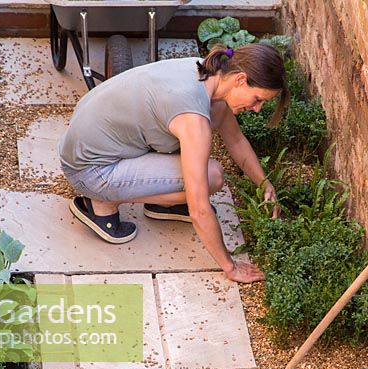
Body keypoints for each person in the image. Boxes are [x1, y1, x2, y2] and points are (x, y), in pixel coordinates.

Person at [58, 43, 288, 283]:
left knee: (202, 156)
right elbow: (199, 209)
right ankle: (103, 202)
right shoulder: (192, 115)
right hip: (90, 170)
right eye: (258, 99)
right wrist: (230, 267)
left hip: (84, 145)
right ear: (240, 79)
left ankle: (161, 204)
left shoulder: (207, 72)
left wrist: (265, 184)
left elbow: (237, 141)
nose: (257, 109)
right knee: (211, 177)